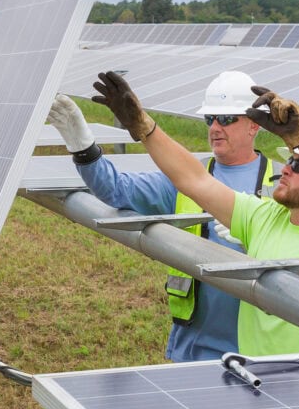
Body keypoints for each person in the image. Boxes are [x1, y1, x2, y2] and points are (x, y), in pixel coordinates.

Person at [90, 71, 299, 357]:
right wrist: (145, 127)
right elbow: (195, 180)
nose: (286, 168)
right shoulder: (265, 218)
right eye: (290, 159)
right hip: (255, 378)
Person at [47, 71, 274, 362]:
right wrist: (82, 145)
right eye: (210, 119)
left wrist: (256, 240)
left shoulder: (280, 184)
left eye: (226, 119)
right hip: (191, 348)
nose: (215, 128)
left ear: (254, 124)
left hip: (252, 350)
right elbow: (116, 189)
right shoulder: (186, 178)